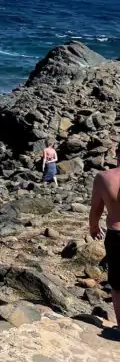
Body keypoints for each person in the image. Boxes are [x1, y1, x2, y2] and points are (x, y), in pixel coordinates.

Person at [90, 142, 120, 331]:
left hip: (117, 235)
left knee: (118, 286)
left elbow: (96, 210)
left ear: (117, 153)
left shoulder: (103, 177)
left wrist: (93, 227)